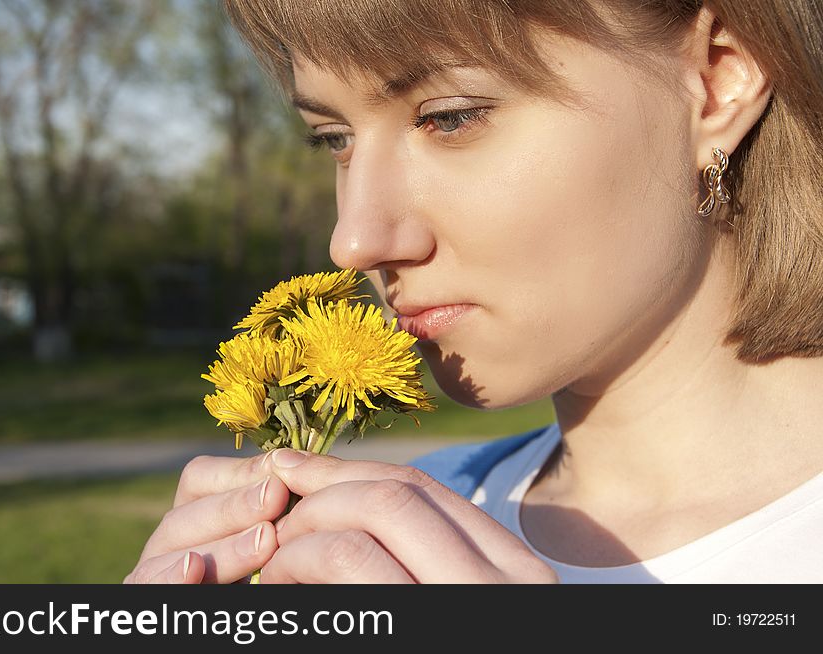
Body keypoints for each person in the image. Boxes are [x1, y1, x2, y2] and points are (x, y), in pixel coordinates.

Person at [125, 0, 823, 583]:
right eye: (334, 139)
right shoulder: (384, 539)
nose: (356, 241)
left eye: (451, 117)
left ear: (716, 79)